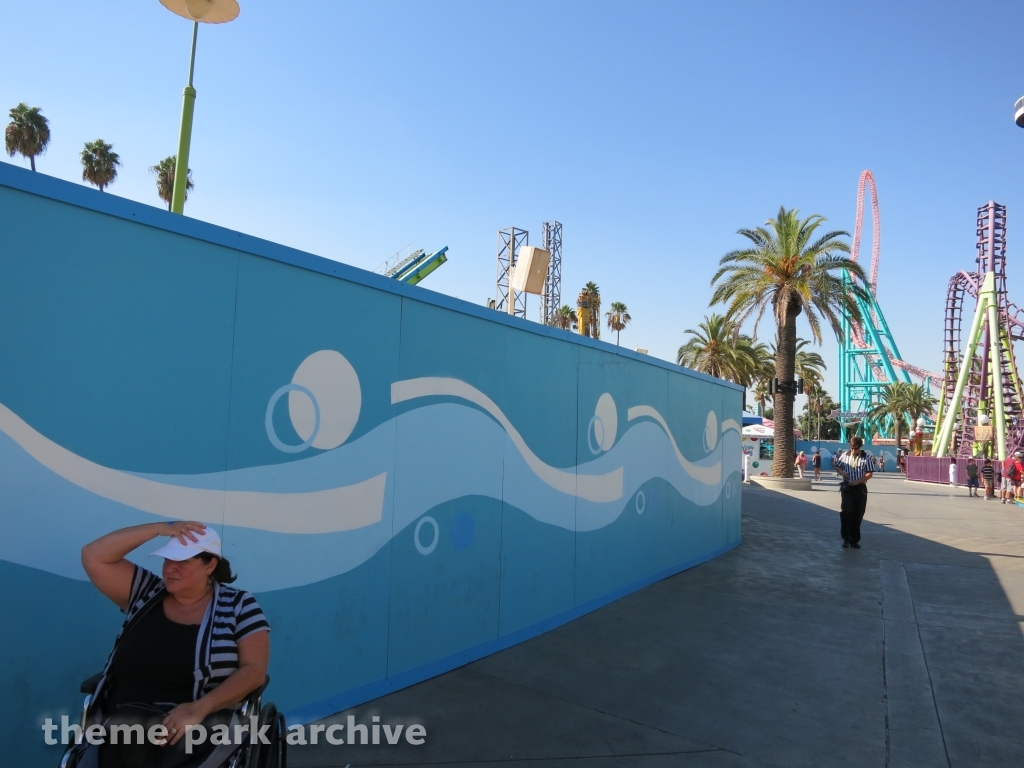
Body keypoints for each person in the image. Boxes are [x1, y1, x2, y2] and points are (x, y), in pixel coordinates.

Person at [75, 522, 270, 768]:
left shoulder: (238, 604)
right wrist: (159, 529)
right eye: (167, 559)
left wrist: (200, 708)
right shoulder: (145, 593)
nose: (170, 569)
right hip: (124, 721)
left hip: (199, 724)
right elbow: (93, 555)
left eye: (182, 561)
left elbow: (254, 670)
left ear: (210, 565)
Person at [833, 436, 874, 549]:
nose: (853, 450)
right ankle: (846, 538)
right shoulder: (845, 455)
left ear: (860, 447)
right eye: (851, 448)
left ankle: (854, 540)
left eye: (855, 448)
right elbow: (837, 466)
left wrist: (857, 481)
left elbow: (869, 474)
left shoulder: (867, 458)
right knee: (846, 512)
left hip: (859, 488)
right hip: (847, 487)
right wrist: (842, 473)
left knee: (858, 513)